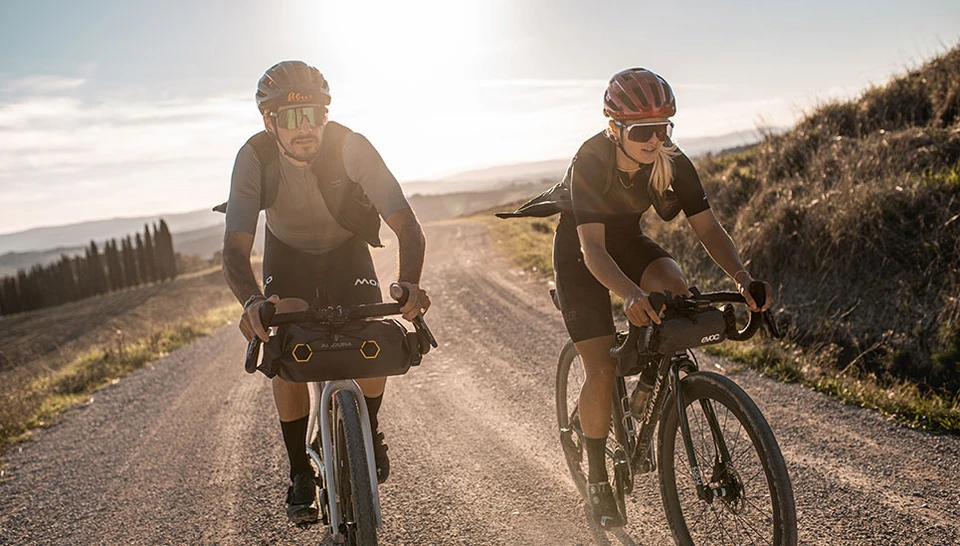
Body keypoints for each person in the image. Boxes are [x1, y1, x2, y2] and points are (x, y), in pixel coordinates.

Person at [503, 67, 772, 529]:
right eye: (643, 130)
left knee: (678, 290)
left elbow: (706, 227)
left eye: (664, 126)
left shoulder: (671, 159)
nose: (655, 139)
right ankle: (597, 480)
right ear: (615, 128)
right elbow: (591, 249)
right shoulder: (590, 159)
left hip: (627, 240)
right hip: (582, 252)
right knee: (603, 369)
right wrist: (628, 293)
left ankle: (648, 383)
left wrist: (743, 277)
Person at [220, 60, 430, 524]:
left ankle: (368, 430)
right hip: (287, 256)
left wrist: (410, 282)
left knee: (371, 332)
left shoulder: (351, 146)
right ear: (268, 121)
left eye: (315, 114)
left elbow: (407, 225)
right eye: (292, 118)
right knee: (284, 337)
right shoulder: (254, 157)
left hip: (344, 250)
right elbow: (234, 251)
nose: (306, 127)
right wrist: (254, 303)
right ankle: (298, 471)